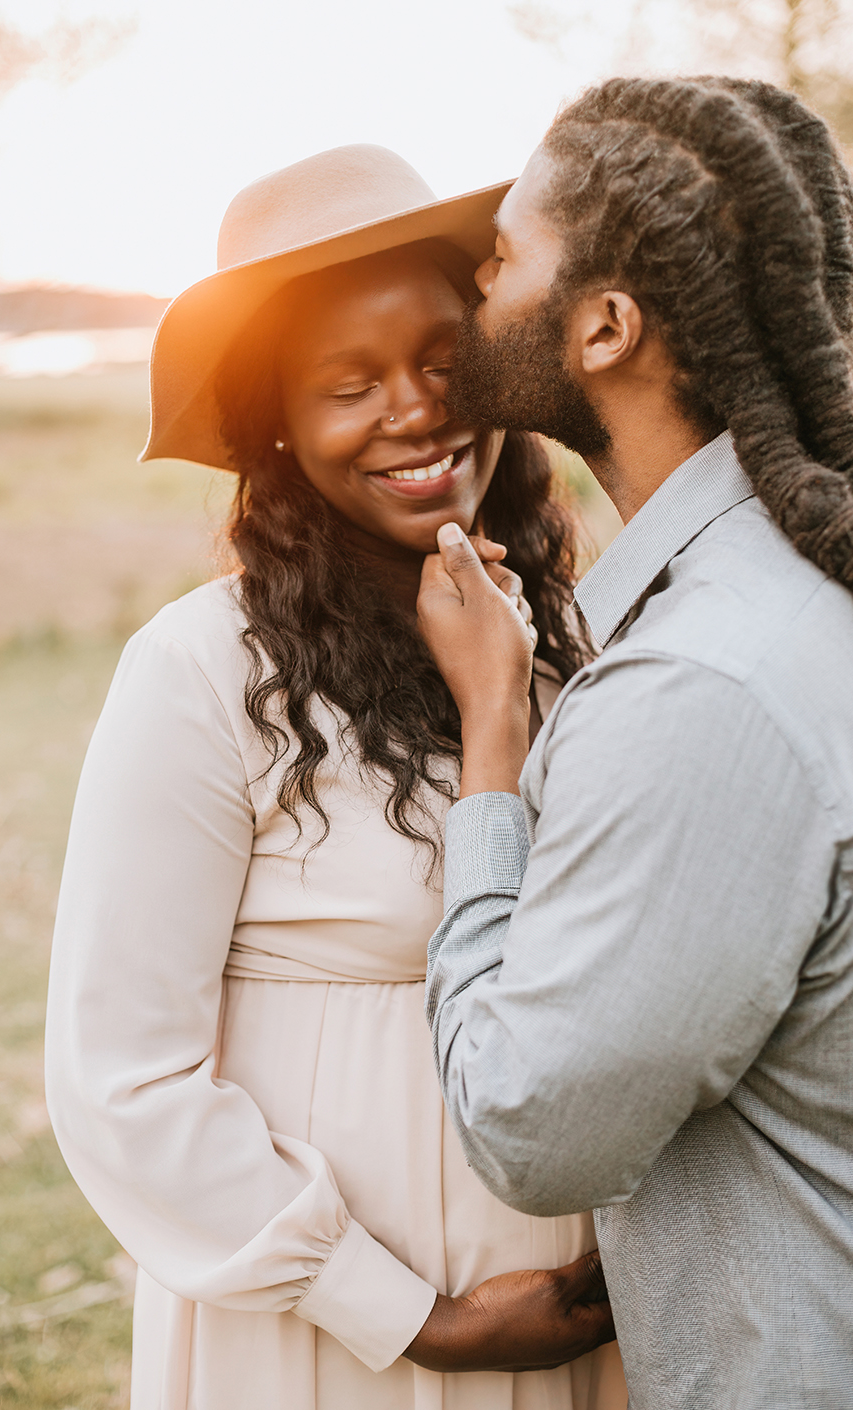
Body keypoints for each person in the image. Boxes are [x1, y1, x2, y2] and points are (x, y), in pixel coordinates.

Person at [44, 145, 625, 1410]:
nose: (415, 410)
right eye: (348, 384)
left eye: (438, 356)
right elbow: (121, 1085)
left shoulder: (571, 632)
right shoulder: (203, 672)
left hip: (578, 1320)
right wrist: (408, 1316)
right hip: (324, 1348)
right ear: (279, 428)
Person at [417, 76, 853, 1410]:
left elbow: (530, 1123)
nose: (472, 289)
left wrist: (493, 746)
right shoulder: (789, 592)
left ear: (603, 325)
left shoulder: (701, 689)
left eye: (502, 256)